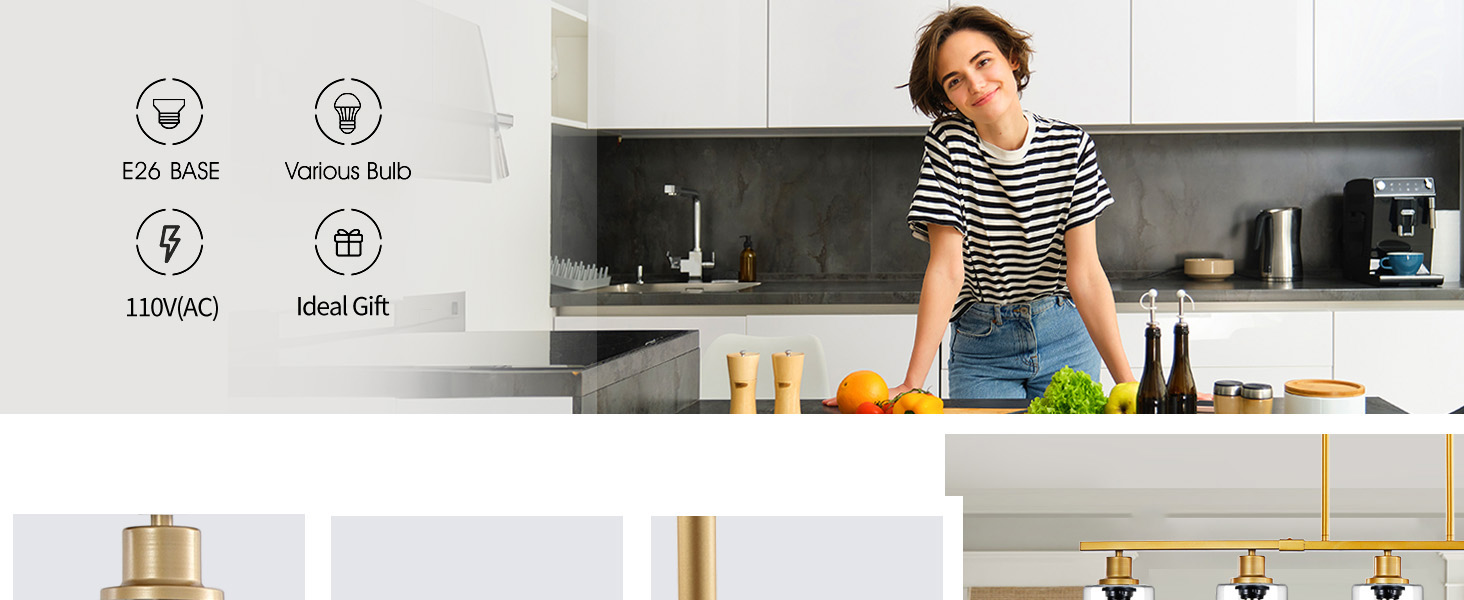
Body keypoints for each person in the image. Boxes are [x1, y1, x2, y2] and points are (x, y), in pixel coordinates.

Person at [832, 6, 1135, 403]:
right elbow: (946, 269)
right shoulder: (949, 144)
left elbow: (1086, 274)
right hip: (983, 346)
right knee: (981, 446)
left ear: (1012, 58)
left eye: (983, 62)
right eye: (955, 80)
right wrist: (912, 383)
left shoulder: (1071, 147)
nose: (975, 84)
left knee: (1066, 445)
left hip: (1065, 336)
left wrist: (1130, 385)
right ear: (947, 97)